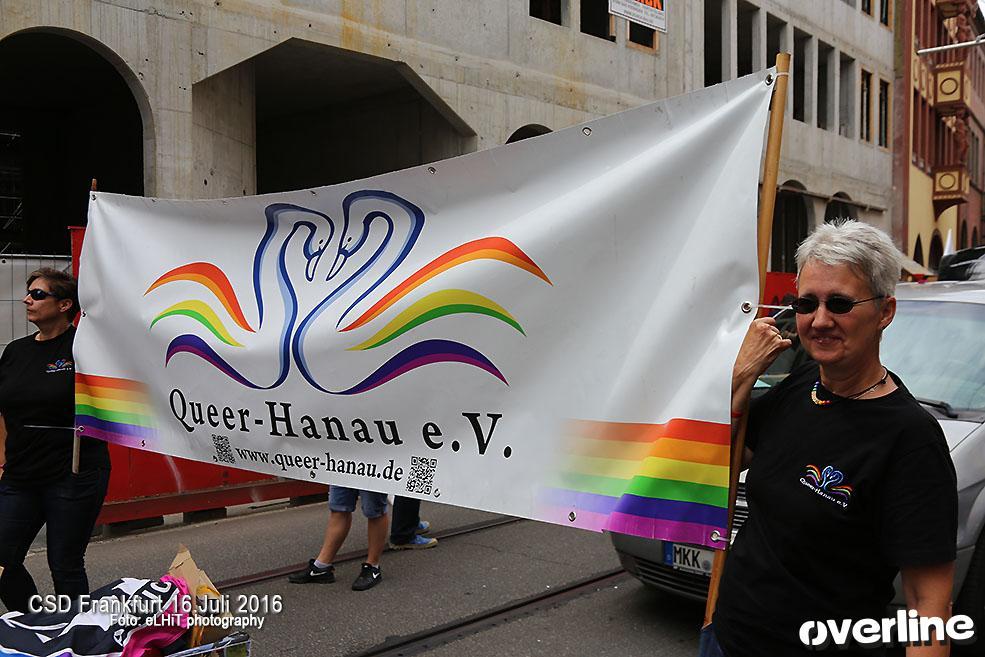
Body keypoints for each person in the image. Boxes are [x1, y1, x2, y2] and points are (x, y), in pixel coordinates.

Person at [707, 222, 957, 656]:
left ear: (885, 311)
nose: (819, 321)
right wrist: (737, 380)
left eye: (839, 303)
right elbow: (716, 469)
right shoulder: (801, 384)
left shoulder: (911, 438)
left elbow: (927, 605)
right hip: (727, 639)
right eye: (807, 303)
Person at [0, 268, 111, 612]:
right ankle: (35, 622)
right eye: (28, 292)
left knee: (64, 564)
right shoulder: (15, 352)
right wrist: (4, 459)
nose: (27, 299)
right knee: (2, 559)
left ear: (65, 305)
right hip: (21, 475)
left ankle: (79, 636)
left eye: (37, 294)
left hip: (73, 474)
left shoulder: (85, 347)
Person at [289, 486, 389, 590]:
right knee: (339, 507)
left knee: (374, 509)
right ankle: (322, 566)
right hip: (344, 471)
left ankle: (372, 566)